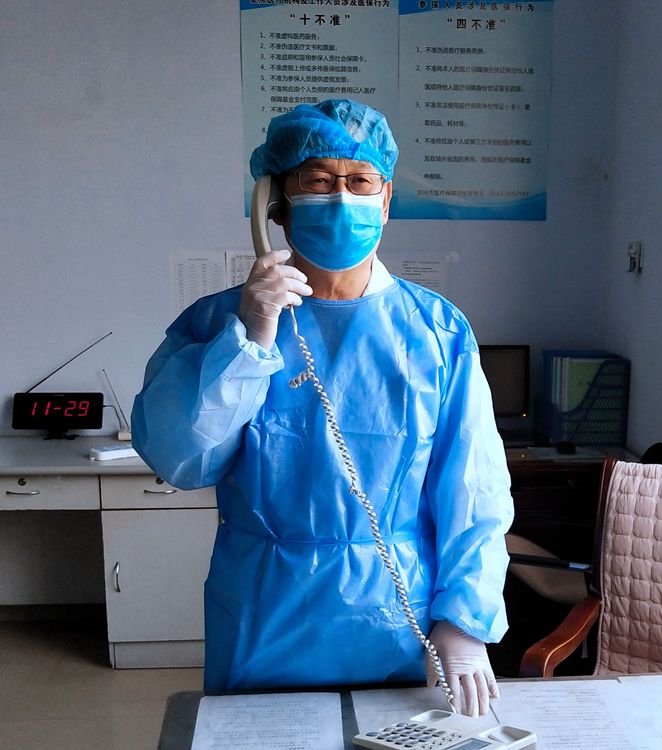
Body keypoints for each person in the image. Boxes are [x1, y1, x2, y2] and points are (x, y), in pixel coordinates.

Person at [132, 99, 513, 717]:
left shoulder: (436, 331)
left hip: (400, 621)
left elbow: (474, 489)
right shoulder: (217, 323)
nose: (341, 198)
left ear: (385, 200)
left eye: (360, 181)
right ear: (275, 204)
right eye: (316, 181)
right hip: (265, 613)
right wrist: (249, 341)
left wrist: (465, 620)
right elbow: (181, 459)